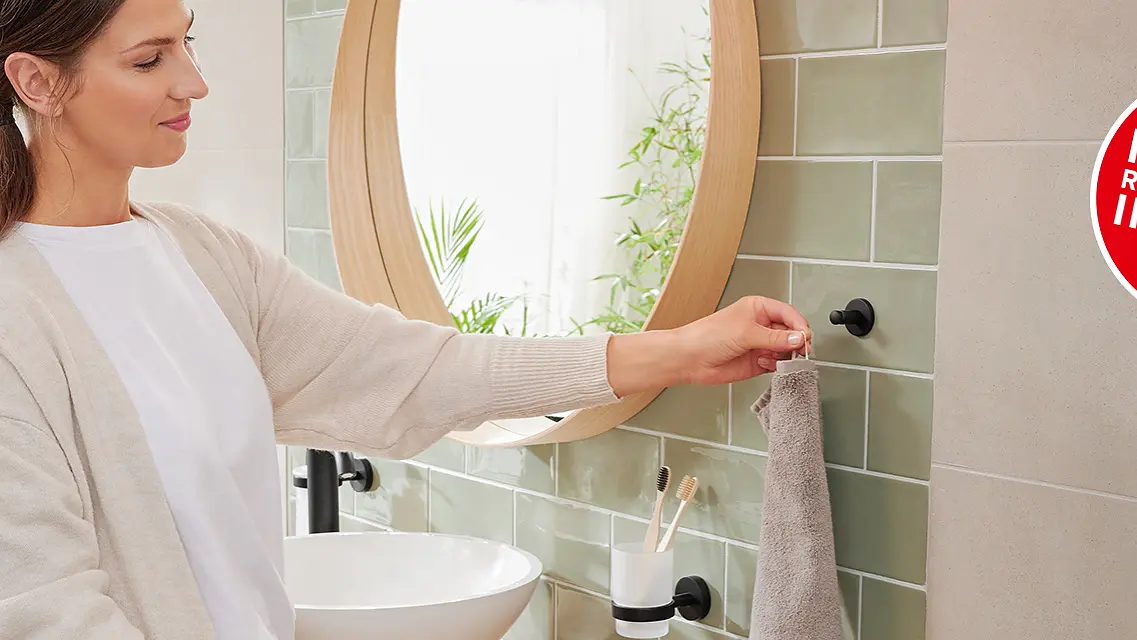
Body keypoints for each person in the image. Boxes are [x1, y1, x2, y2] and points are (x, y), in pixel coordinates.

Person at [0, 1, 813, 638]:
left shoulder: (204, 258)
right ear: (37, 82)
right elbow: (41, 605)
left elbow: (421, 371)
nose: (194, 81)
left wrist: (675, 351)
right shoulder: (17, 311)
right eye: (149, 59)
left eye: (186, 42)